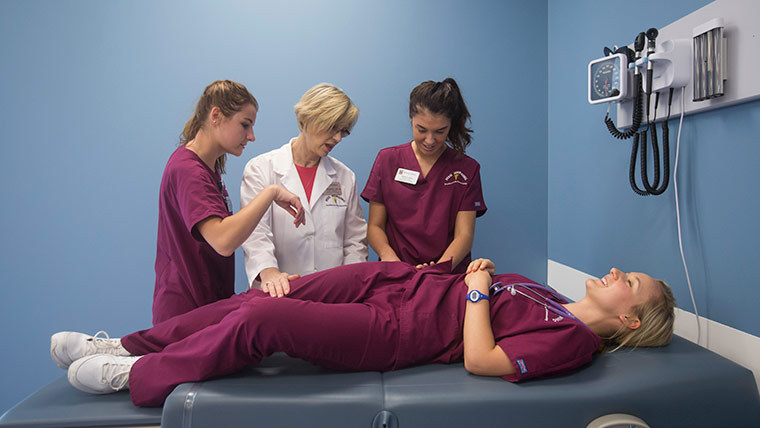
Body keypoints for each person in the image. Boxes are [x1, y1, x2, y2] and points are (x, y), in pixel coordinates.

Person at [50, 258, 675, 407]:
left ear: (629, 319)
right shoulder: (551, 294)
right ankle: (130, 343)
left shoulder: (572, 340)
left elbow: (484, 359)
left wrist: (479, 289)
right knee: (267, 292)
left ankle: (140, 377)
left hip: (398, 329)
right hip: (398, 281)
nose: (616, 272)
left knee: (264, 321)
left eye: (631, 281)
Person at [151, 80, 305, 325]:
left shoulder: (207, 169)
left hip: (206, 305)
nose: (251, 136)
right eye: (245, 125)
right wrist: (271, 193)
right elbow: (223, 241)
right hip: (186, 314)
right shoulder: (188, 170)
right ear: (216, 116)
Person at [240, 83, 367, 297]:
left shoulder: (345, 176)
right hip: (278, 293)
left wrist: (350, 285)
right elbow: (255, 233)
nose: (337, 138)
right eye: (332, 127)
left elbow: (354, 241)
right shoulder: (261, 169)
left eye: (343, 131)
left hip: (333, 296)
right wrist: (269, 272)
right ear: (307, 119)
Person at [362, 78, 487, 274]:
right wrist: (390, 259)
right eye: (421, 130)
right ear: (411, 119)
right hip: (396, 272)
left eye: (440, 131)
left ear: (450, 125)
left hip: (447, 274)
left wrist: (438, 270)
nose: (430, 140)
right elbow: (375, 226)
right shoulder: (387, 160)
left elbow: (464, 235)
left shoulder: (466, 169)